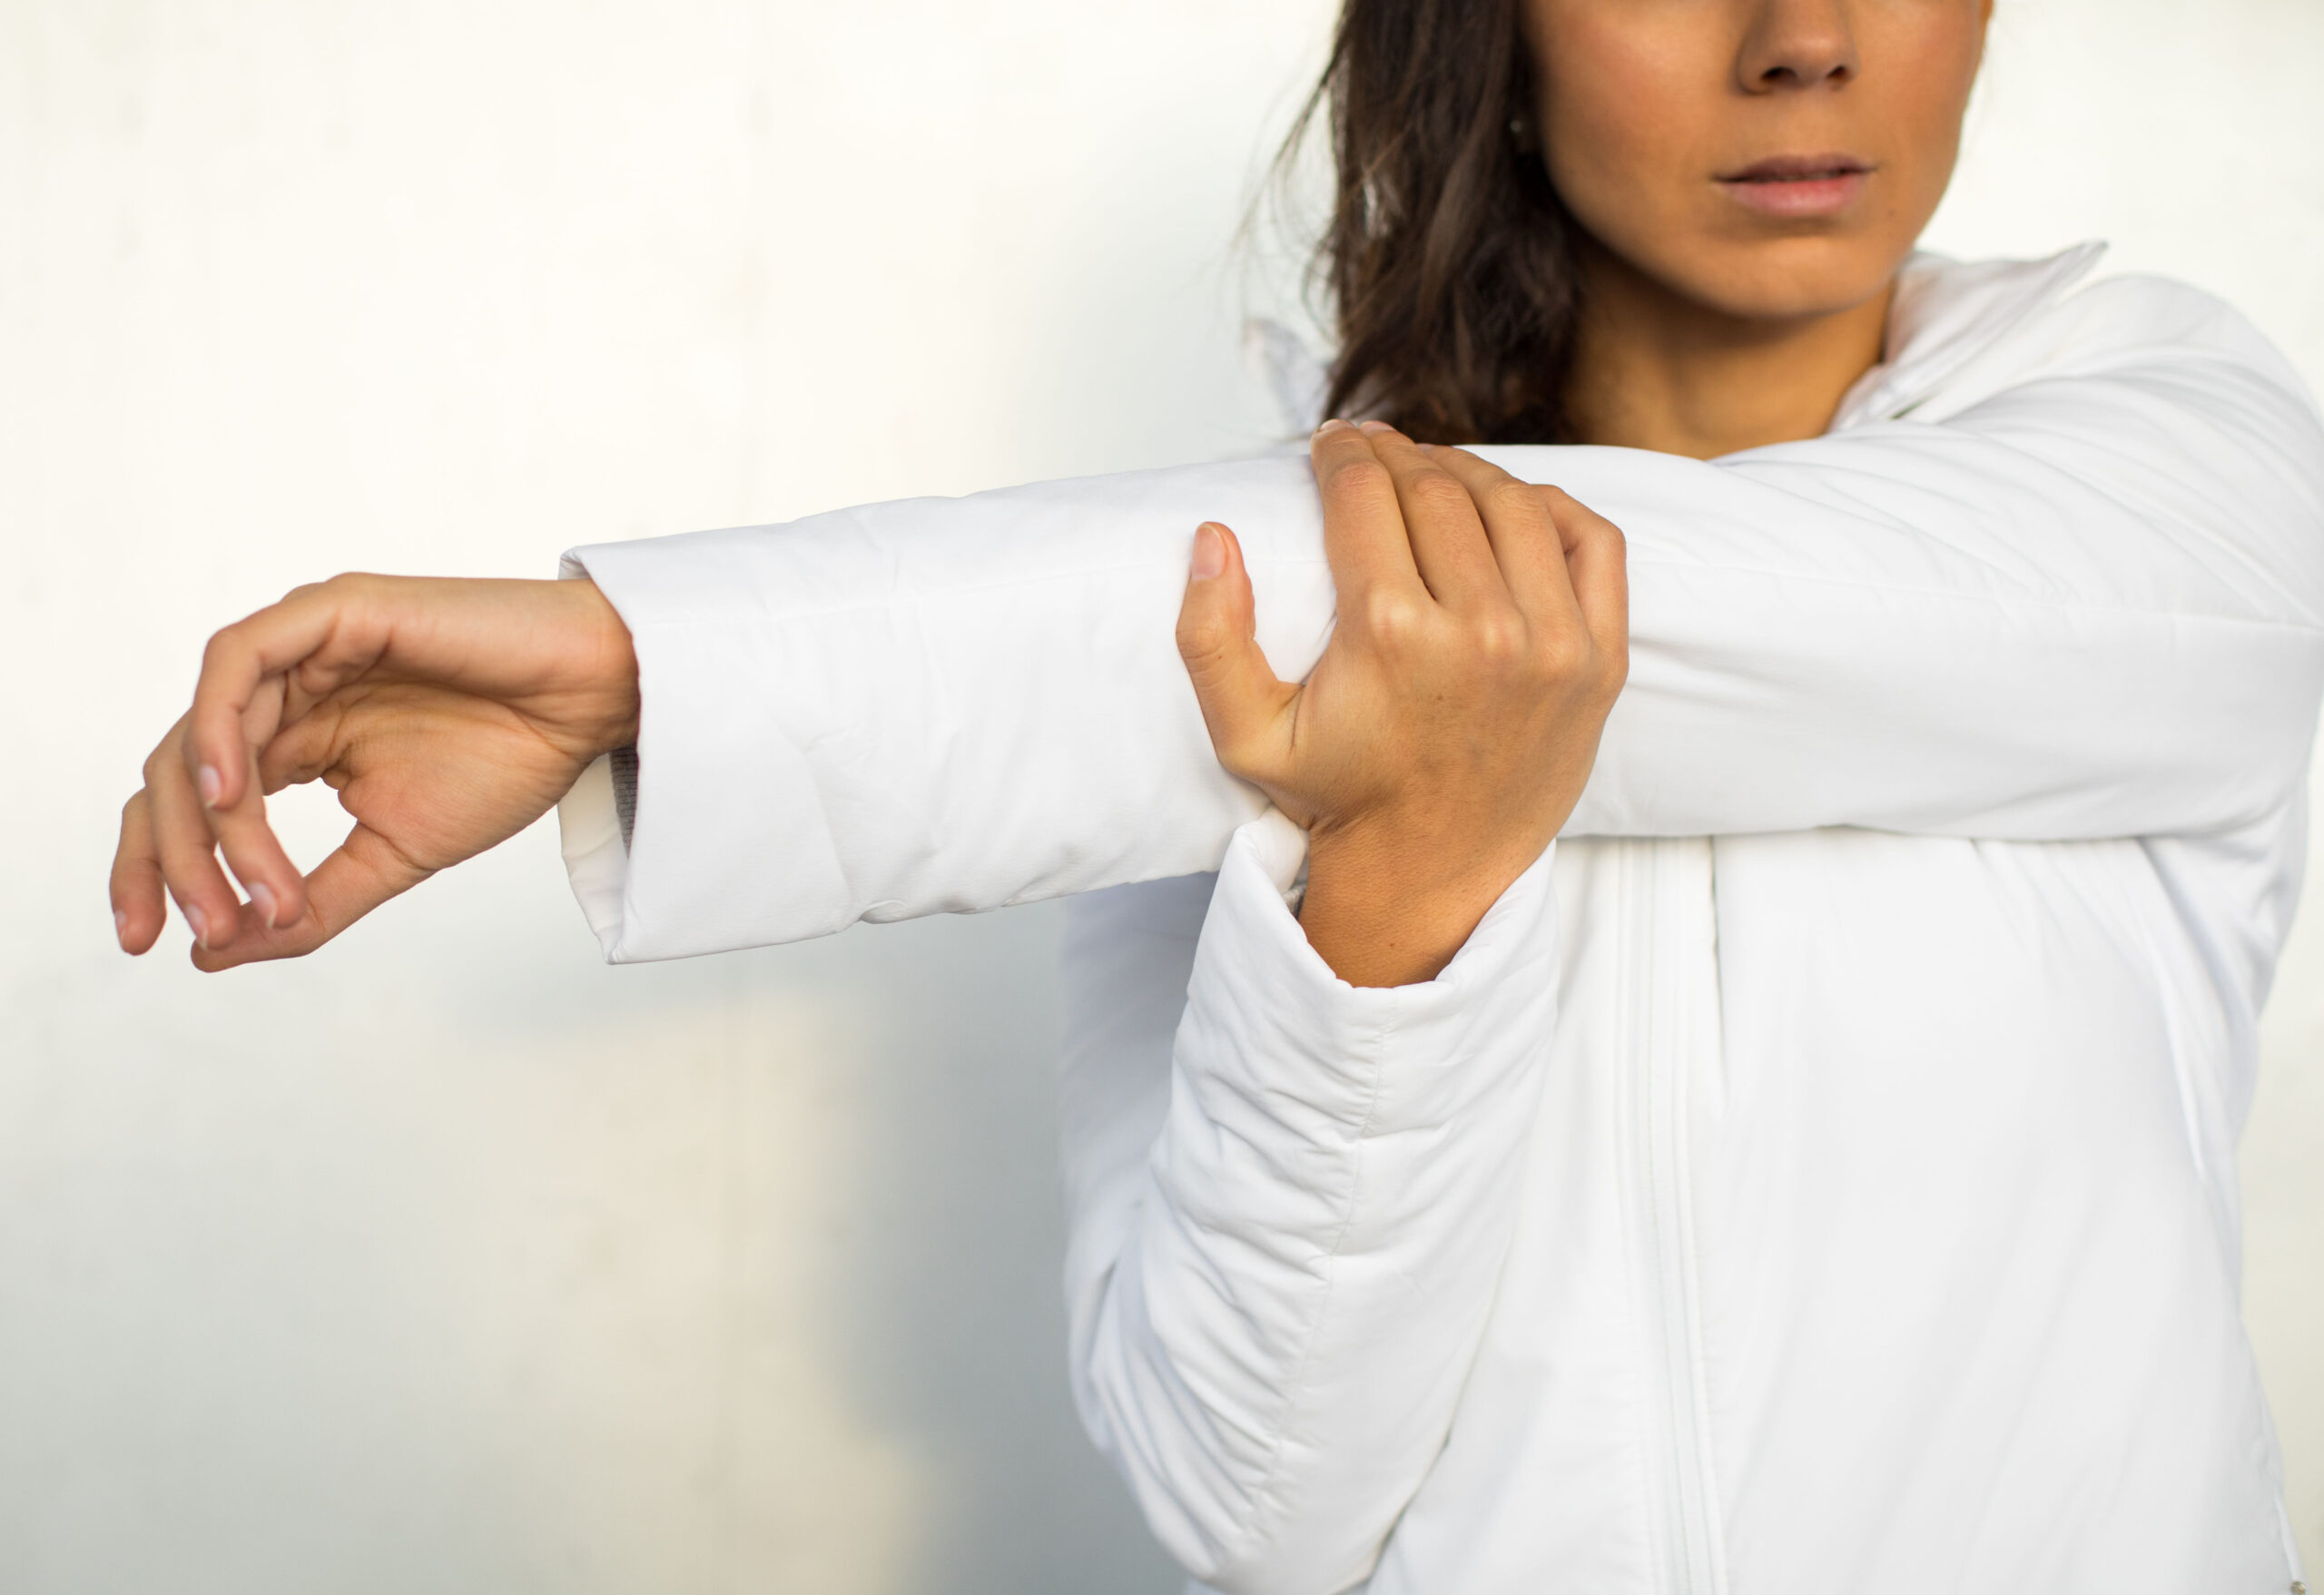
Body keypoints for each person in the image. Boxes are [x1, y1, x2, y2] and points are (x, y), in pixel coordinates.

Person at [108, 0, 2324, 1590]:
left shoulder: (2175, 461)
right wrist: (1392, 909)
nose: (1803, 38)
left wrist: (641, 663)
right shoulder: (1182, 687)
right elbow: (1254, 1508)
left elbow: (1608, 601)